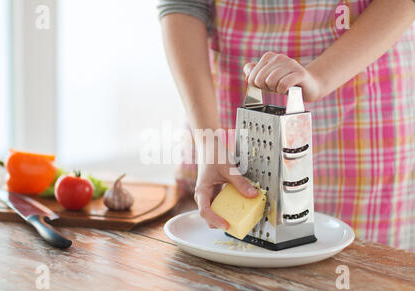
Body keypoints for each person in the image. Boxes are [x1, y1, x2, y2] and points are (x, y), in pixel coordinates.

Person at [158, 0, 415, 251]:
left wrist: (320, 76)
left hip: (359, 99)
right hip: (226, 102)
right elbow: (184, 5)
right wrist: (209, 142)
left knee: (359, 275)